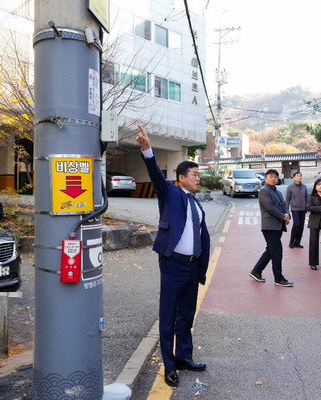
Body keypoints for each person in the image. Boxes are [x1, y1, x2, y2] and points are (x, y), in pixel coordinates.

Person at [136, 125, 210, 387]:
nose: (198, 178)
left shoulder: (197, 203)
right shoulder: (170, 193)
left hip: (191, 267)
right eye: (194, 174)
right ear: (180, 177)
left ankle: (183, 357)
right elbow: (155, 175)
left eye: (199, 174)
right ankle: (169, 365)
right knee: (168, 316)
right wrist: (147, 150)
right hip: (173, 265)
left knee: (186, 315)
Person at [249, 169, 293, 287]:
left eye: (275, 177)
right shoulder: (264, 191)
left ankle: (256, 271)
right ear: (266, 178)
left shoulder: (277, 191)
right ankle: (278, 279)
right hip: (269, 226)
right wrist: (283, 217)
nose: (273, 179)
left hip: (277, 225)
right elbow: (270, 208)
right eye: (271, 176)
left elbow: (284, 205)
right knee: (277, 252)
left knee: (270, 250)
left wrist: (287, 214)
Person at [285, 171, 308, 248]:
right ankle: (291, 241)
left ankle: (297, 242)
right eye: (297, 176)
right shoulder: (290, 187)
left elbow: (306, 198)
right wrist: (287, 211)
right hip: (295, 209)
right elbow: (287, 200)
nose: (299, 177)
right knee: (296, 224)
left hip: (303, 209)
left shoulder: (304, 187)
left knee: (301, 226)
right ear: (294, 177)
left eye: (300, 176)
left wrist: (307, 207)